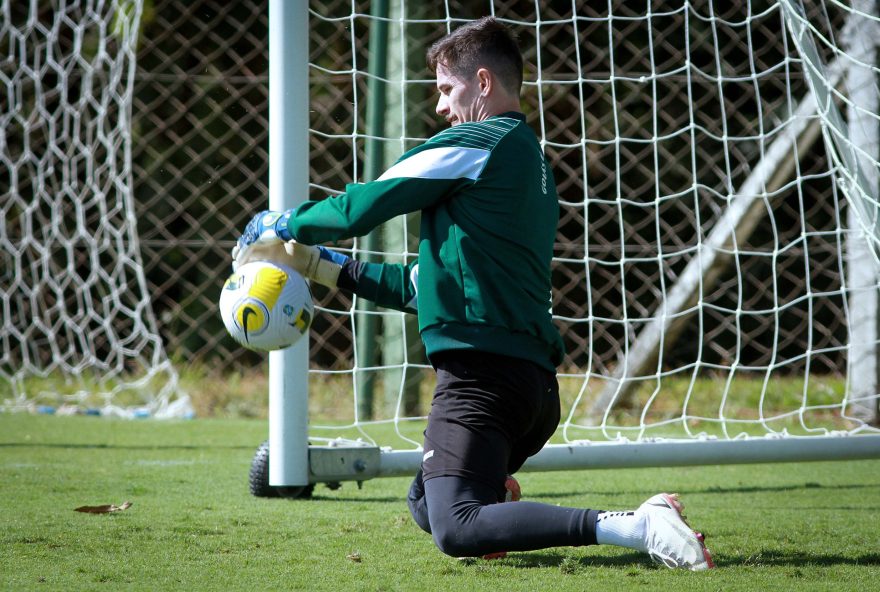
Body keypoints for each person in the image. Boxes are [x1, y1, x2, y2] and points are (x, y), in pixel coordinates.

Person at [234, 17, 714, 570]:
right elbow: (425, 287)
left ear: (482, 83)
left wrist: (283, 223)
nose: (440, 108)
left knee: (455, 527)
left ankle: (637, 525)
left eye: (445, 89)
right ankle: (500, 506)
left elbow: (365, 203)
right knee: (423, 502)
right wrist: (326, 268)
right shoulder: (526, 161)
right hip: (530, 388)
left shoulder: (478, 141)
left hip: (482, 381)